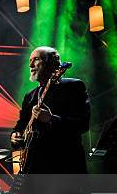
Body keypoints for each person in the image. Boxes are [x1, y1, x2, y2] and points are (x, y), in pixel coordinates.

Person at [10, 46, 90, 174]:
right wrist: (15, 135)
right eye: (30, 60)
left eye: (36, 59)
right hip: (33, 170)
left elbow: (82, 124)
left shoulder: (74, 86)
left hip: (64, 168)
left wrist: (51, 119)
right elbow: (21, 125)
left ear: (53, 64)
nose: (30, 64)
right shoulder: (29, 96)